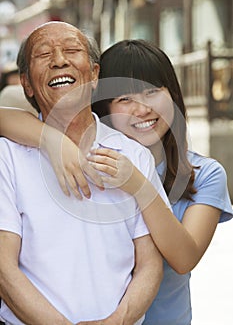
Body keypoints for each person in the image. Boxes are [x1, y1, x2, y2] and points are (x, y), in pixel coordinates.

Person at [0, 39, 232, 325]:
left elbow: (183, 258)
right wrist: (52, 140)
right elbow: (5, 119)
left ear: (172, 93)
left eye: (151, 92)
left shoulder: (205, 174)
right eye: (124, 99)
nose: (142, 109)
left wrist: (137, 183)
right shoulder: (84, 156)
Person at [0, 23, 168, 325]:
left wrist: (117, 321)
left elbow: (150, 262)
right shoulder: (6, 157)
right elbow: (3, 268)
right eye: (44, 54)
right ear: (26, 84)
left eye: (72, 50)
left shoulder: (134, 156)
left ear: (94, 75)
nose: (60, 60)